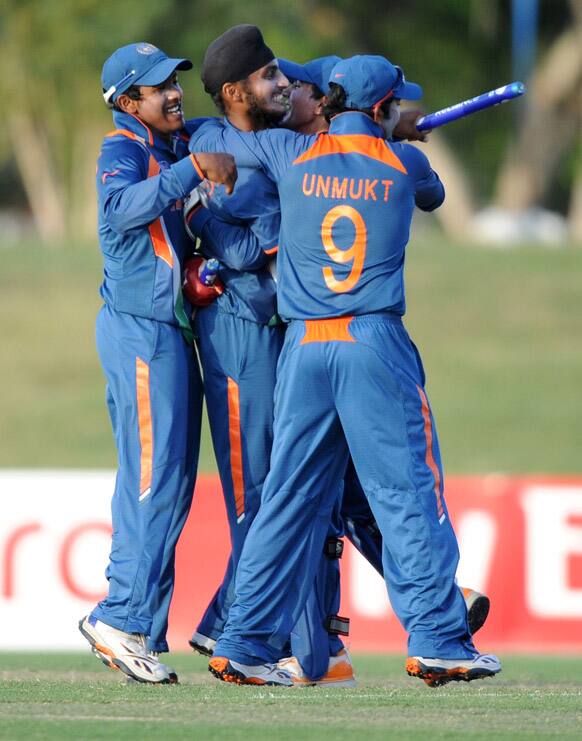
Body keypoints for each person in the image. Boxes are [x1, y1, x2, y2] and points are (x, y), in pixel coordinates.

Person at [189, 46, 490, 686]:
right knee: (406, 494)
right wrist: (400, 134)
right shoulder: (405, 158)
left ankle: (243, 644)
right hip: (372, 342)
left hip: (304, 346)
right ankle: (440, 639)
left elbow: (232, 142)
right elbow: (430, 194)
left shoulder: (288, 154)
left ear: (325, 102)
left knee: (288, 503)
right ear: (383, 107)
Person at [77, 42, 237, 684]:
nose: (175, 92)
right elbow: (118, 211)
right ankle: (119, 616)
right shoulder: (122, 150)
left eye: (175, 81)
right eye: (158, 86)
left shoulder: (174, 144)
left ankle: (137, 624)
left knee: (167, 483)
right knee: (152, 479)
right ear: (127, 102)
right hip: (139, 334)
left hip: (168, 332)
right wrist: (191, 168)